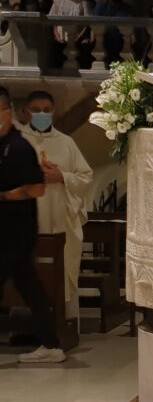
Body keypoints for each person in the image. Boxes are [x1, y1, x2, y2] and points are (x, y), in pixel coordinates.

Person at [0, 89, 65, 363]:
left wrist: (7, 196)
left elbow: (38, 188)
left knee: (28, 286)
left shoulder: (19, 147)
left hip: (15, 232)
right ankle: (51, 345)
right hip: (6, 232)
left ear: (8, 112)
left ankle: (52, 345)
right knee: (30, 287)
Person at [21, 90, 93, 320]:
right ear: (26, 112)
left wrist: (62, 176)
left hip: (60, 219)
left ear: (54, 111)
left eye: (46, 110)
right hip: (25, 219)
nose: (42, 114)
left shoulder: (66, 142)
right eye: (36, 110)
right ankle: (23, 324)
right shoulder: (17, 141)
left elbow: (85, 176)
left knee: (60, 269)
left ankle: (63, 322)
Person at [94, 0, 136, 66]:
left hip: (120, 40)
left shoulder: (127, 9)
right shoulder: (101, 6)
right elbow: (95, 24)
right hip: (105, 39)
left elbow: (131, 27)